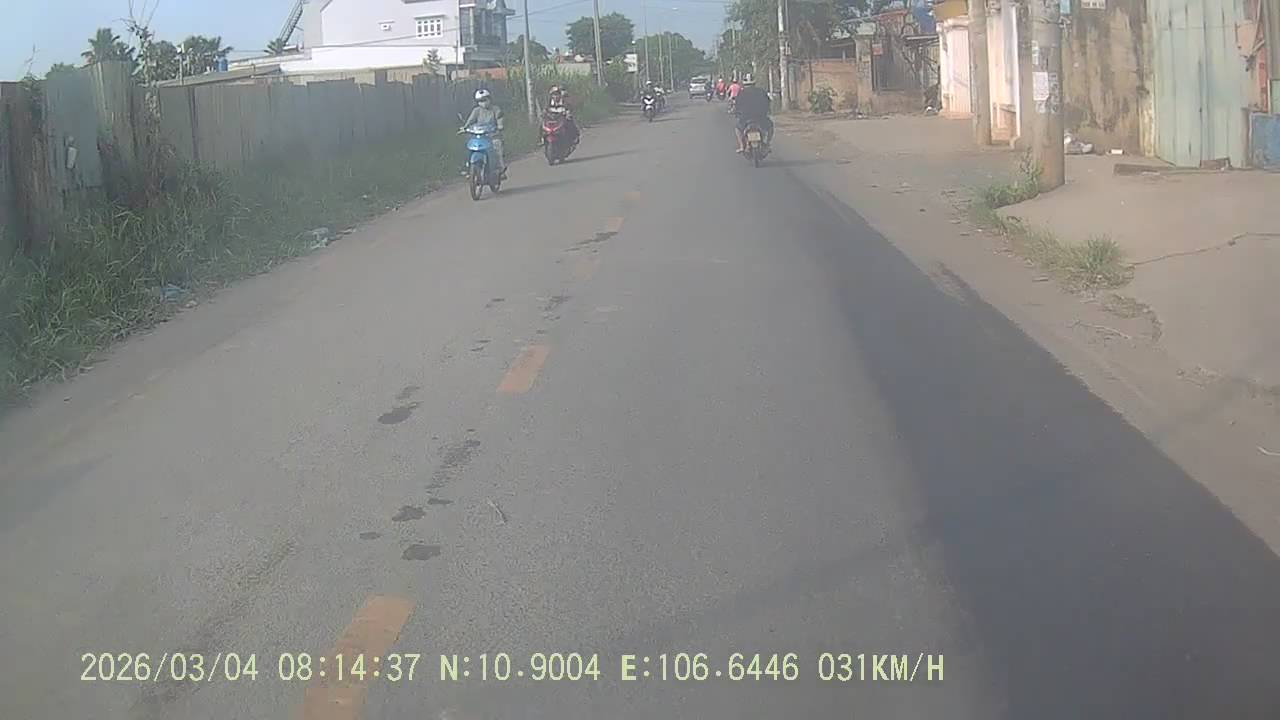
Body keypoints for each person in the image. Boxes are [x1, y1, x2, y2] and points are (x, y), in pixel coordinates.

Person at [462, 88, 506, 178]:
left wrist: (500, 126)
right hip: (479, 136)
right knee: (469, 146)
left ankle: (501, 169)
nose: (483, 103)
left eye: (485, 100)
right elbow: (470, 120)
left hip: (492, 136)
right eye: (480, 101)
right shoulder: (476, 111)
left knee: (497, 148)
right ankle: (468, 168)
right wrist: (465, 127)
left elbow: (499, 118)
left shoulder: (495, 109)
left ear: (489, 99)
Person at [732, 74, 773, 153]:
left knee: (737, 129)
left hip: (745, 118)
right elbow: (767, 103)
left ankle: (741, 146)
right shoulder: (761, 91)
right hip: (761, 117)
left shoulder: (741, 93)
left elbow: (737, 105)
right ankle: (767, 144)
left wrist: (737, 113)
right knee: (770, 127)